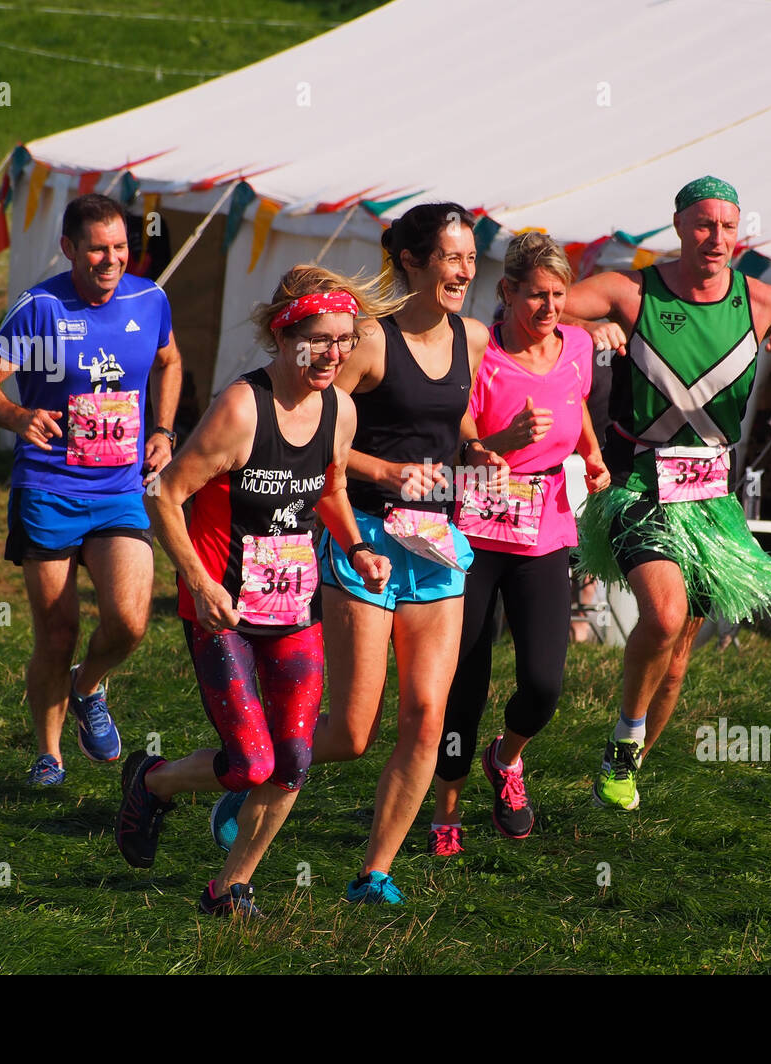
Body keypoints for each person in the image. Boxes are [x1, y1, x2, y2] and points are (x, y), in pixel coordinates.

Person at [563, 175, 771, 811]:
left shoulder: (759, 301)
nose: (717, 238)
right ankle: (623, 741)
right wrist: (586, 330)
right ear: (677, 226)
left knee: (675, 661)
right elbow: (541, 304)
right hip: (640, 489)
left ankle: (621, 776)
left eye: (728, 226)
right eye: (704, 224)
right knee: (665, 616)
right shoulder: (631, 289)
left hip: (711, 505)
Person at [116, 266, 394, 917]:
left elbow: (329, 491)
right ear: (283, 334)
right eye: (320, 341)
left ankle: (230, 886)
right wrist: (198, 579)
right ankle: (153, 780)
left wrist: (357, 548)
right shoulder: (243, 408)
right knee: (250, 762)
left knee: (293, 756)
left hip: (294, 606)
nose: (334, 355)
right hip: (224, 608)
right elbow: (165, 492)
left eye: (346, 341)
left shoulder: (340, 410)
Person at [310, 202, 507, 903]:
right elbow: (312, 433)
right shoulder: (368, 342)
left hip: (433, 544)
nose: (465, 270)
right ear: (414, 262)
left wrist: (480, 449)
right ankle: (243, 782)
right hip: (364, 539)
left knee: (427, 715)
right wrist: (382, 472)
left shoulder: (474, 338)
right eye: (452, 257)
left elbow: (453, 417)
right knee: (350, 733)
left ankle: (375, 873)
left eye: (471, 258)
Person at [0, 193, 182, 785]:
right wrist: (15, 416)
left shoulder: (149, 297)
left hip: (118, 490)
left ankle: (88, 685)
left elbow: (169, 360)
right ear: (69, 249)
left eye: (119, 248)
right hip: (49, 488)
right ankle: (49, 754)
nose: (110, 261)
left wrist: (162, 428)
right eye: (96, 250)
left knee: (131, 621)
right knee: (56, 632)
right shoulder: (40, 308)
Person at [428, 232, 609, 855]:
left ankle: (506, 759)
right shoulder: (479, 349)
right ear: (507, 292)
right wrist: (499, 443)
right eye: (536, 295)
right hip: (477, 526)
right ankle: (445, 810)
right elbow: (461, 437)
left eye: (559, 295)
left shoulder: (578, 346)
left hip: (546, 527)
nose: (550, 308)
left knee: (543, 683)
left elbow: (576, 400)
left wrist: (592, 452)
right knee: (465, 681)